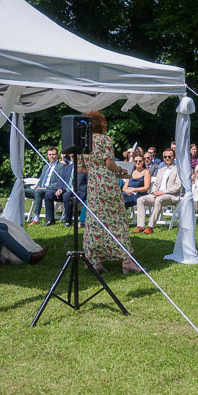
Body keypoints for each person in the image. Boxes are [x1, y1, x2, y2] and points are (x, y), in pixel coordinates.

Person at [79, 111, 141, 274]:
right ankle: (127, 261)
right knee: (117, 220)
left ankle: (94, 260)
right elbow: (109, 163)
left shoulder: (82, 142)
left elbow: (80, 168)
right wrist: (120, 170)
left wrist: (94, 169)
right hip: (107, 184)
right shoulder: (104, 140)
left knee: (94, 221)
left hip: (93, 185)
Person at [134, 148, 181, 233]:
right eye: (165, 157)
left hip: (171, 195)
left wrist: (163, 192)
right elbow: (155, 184)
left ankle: (150, 227)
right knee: (140, 199)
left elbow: (177, 187)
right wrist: (154, 192)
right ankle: (140, 226)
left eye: (169, 156)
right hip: (157, 194)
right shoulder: (161, 170)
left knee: (159, 199)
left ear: (174, 157)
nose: (167, 158)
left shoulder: (178, 169)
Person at [43, 154, 87, 226]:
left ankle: (67, 221)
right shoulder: (67, 168)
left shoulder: (84, 169)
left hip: (79, 193)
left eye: (74, 156)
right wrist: (60, 189)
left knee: (67, 195)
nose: (73, 158)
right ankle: (50, 219)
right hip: (65, 191)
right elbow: (61, 180)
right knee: (49, 194)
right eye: (72, 156)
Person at [27, 147, 64, 225]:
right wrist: (38, 186)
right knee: (21, 191)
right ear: (47, 156)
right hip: (40, 189)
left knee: (38, 191)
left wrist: (45, 188)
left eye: (53, 154)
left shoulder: (61, 166)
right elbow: (41, 180)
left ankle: (36, 218)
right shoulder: (45, 167)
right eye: (49, 154)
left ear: (57, 155)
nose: (51, 156)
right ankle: (15, 214)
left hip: (51, 190)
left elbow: (60, 182)